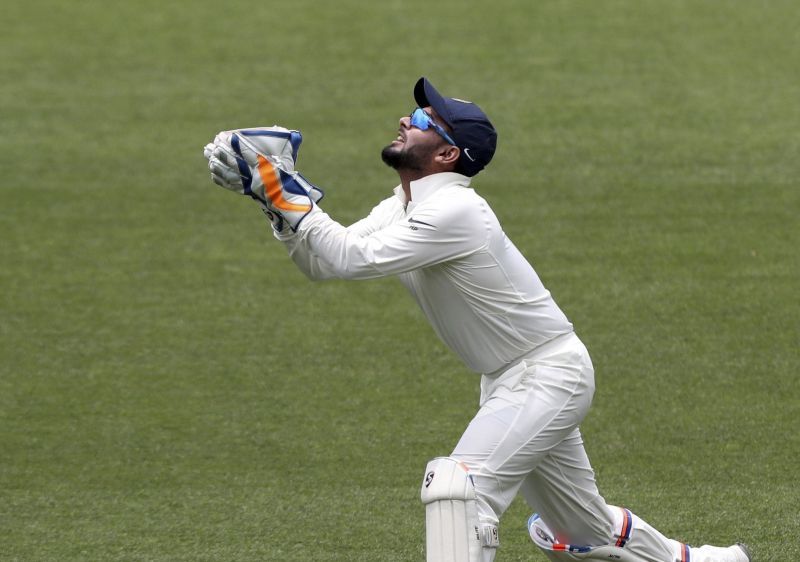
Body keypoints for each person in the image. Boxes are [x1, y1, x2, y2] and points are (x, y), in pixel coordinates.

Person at [202, 77, 750, 562]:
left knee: (458, 490)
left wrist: (280, 184)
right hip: (512, 379)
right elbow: (325, 263)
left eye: (423, 121)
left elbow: (348, 256)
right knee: (583, 531)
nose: (405, 119)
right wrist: (273, 201)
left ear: (446, 155)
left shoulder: (454, 210)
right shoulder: (404, 205)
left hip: (546, 374)